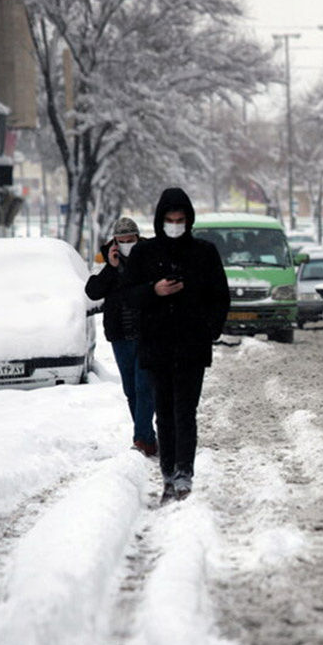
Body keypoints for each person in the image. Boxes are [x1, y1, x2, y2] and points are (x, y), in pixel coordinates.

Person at [122, 188, 230, 502]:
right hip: (156, 346)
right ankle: (168, 474)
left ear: (188, 220)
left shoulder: (204, 252)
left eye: (180, 220)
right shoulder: (145, 254)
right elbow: (128, 295)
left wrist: (210, 328)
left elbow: (220, 296)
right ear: (159, 220)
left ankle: (184, 474)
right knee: (164, 413)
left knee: (186, 411)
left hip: (192, 346)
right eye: (169, 220)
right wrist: (154, 290)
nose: (174, 225)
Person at [85, 217, 157, 457]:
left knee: (144, 386)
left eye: (131, 240)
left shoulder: (151, 255)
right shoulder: (105, 259)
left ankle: (141, 439)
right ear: (115, 241)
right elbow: (93, 291)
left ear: (138, 238)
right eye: (122, 241)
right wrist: (111, 267)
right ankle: (147, 436)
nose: (127, 244)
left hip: (148, 333)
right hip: (120, 335)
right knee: (131, 389)